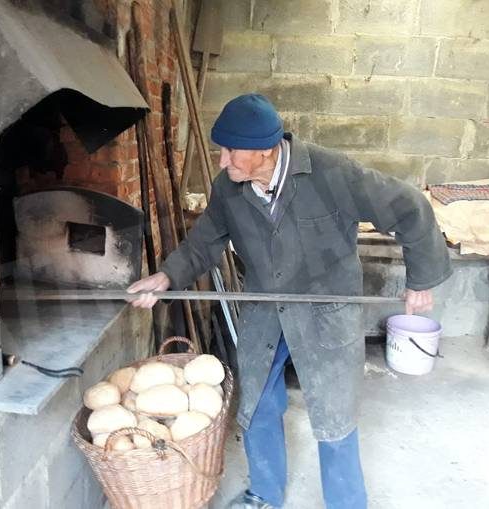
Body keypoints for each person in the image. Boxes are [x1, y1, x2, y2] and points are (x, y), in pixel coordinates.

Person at [127, 94, 452, 508]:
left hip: (326, 311)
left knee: (335, 415)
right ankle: (264, 494)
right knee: (258, 400)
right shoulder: (230, 188)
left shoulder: (332, 172)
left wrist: (421, 278)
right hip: (265, 309)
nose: (222, 162)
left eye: (229, 151)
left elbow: (408, 206)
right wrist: (165, 276)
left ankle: (346, 504)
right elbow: (204, 242)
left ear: (264, 150)